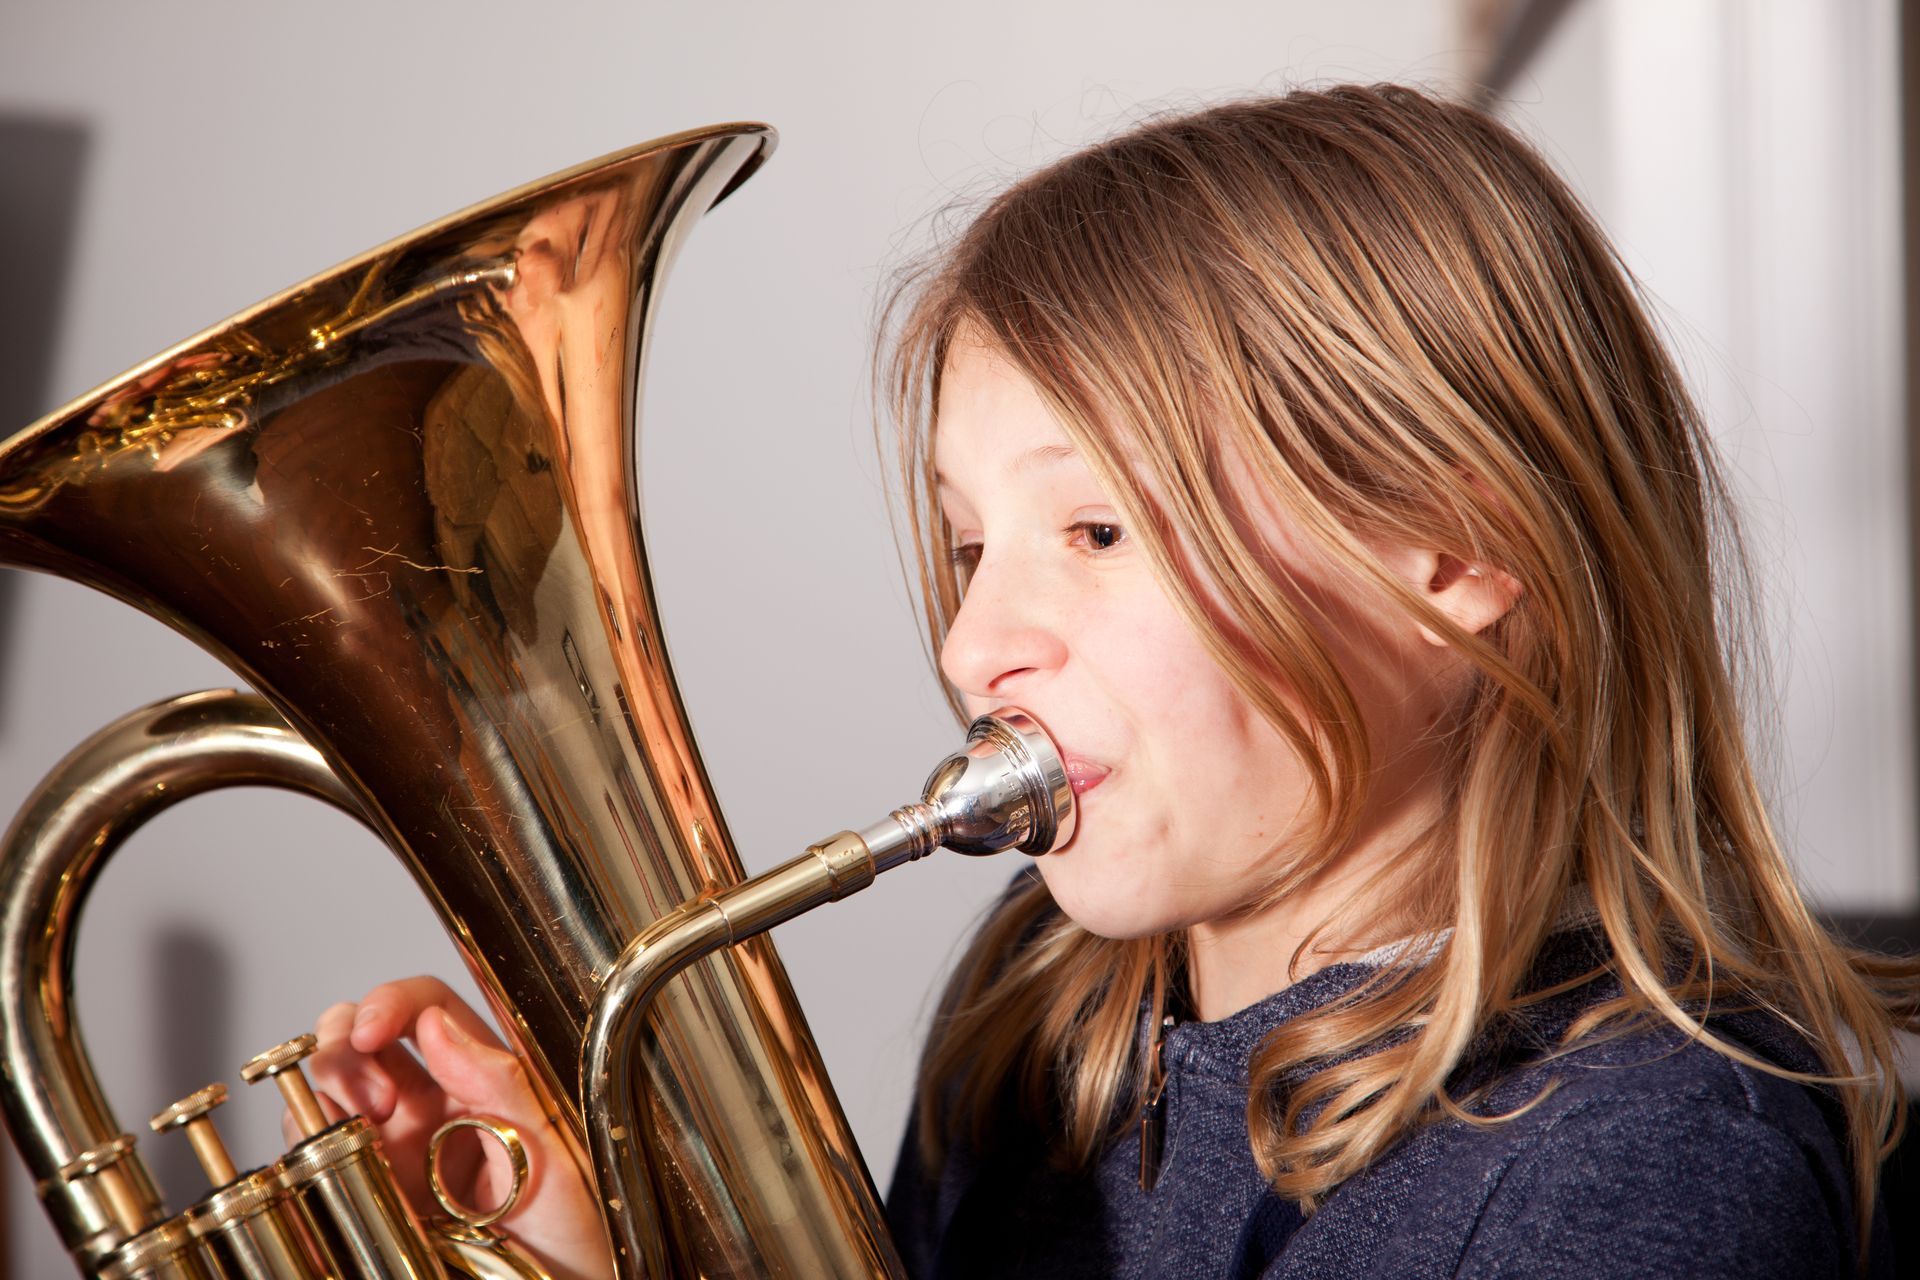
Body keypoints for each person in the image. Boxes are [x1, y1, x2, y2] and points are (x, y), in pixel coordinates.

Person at [305, 84, 1918, 1278]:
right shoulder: (1036, 1020)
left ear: (1450, 557)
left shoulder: (1648, 1167)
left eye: (1095, 527)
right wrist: (616, 1252)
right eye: (964, 547)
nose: (971, 644)